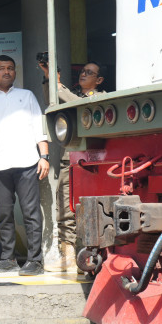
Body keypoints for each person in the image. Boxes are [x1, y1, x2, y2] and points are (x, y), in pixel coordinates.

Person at [0, 55, 50, 276]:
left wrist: (44, 157)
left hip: (28, 163)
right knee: (4, 214)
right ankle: (8, 258)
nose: (7, 72)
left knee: (31, 213)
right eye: (1, 69)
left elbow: (39, 126)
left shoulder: (26, 96)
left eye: (10, 68)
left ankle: (35, 260)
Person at [40, 59, 105, 271]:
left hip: (90, 162)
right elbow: (52, 103)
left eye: (89, 72)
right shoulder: (74, 94)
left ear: (99, 80)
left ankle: (85, 256)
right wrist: (49, 81)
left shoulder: (100, 97)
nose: (83, 74)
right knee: (64, 206)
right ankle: (68, 256)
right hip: (71, 159)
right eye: (83, 71)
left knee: (87, 209)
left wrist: (56, 83)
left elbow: (78, 104)